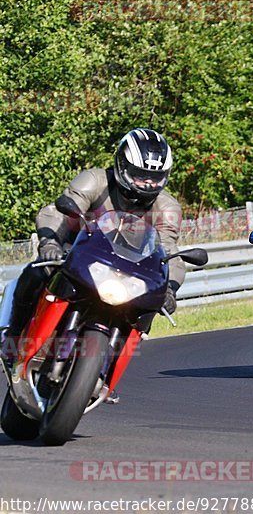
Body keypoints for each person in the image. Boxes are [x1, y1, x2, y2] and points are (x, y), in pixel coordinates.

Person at [2, 128, 185, 402]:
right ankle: (14, 338)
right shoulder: (95, 180)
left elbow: (169, 250)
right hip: (77, 254)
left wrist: (169, 288)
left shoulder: (167, 207)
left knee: (148, 307)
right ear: (122, 165)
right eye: (139, 175)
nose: (146, 183)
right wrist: (49, 243)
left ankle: (106, 371)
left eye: (154, 178)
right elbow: (55, 212)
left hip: (127, 271)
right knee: (38, 271)